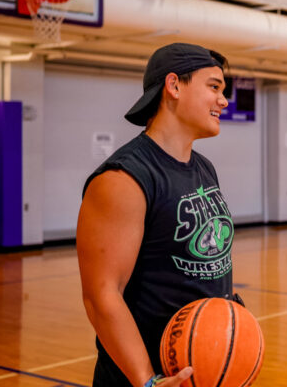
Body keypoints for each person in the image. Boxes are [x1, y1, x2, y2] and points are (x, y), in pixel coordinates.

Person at [76, 43, 236, 387]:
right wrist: (146, 380)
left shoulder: (204, 168)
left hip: (201, 371)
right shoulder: (123, 178)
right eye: (214, 87)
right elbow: (102, 295)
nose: (224, 101)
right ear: (174, 86)